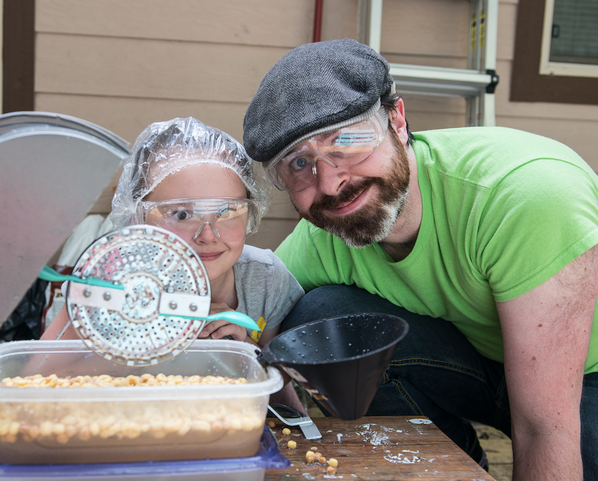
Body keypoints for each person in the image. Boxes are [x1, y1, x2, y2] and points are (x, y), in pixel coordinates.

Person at [242, 38, 598, 480]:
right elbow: (250, 326)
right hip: (485, 364)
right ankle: (452, 467)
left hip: (583, 381)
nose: (331, 183)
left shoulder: (527, 195)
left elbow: (547, 426)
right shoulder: (325, 233)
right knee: (314, 317)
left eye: (348, 140)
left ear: (397, 120)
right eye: (298, 163)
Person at [41, 117, 306, 409]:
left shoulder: (265, 280)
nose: (208, 235)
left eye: (227, 211)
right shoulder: (103, 288)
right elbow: (36, 384)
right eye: (181, 214)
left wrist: (244, 353)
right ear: (138, 217)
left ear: (252, 212)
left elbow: (282, 400)